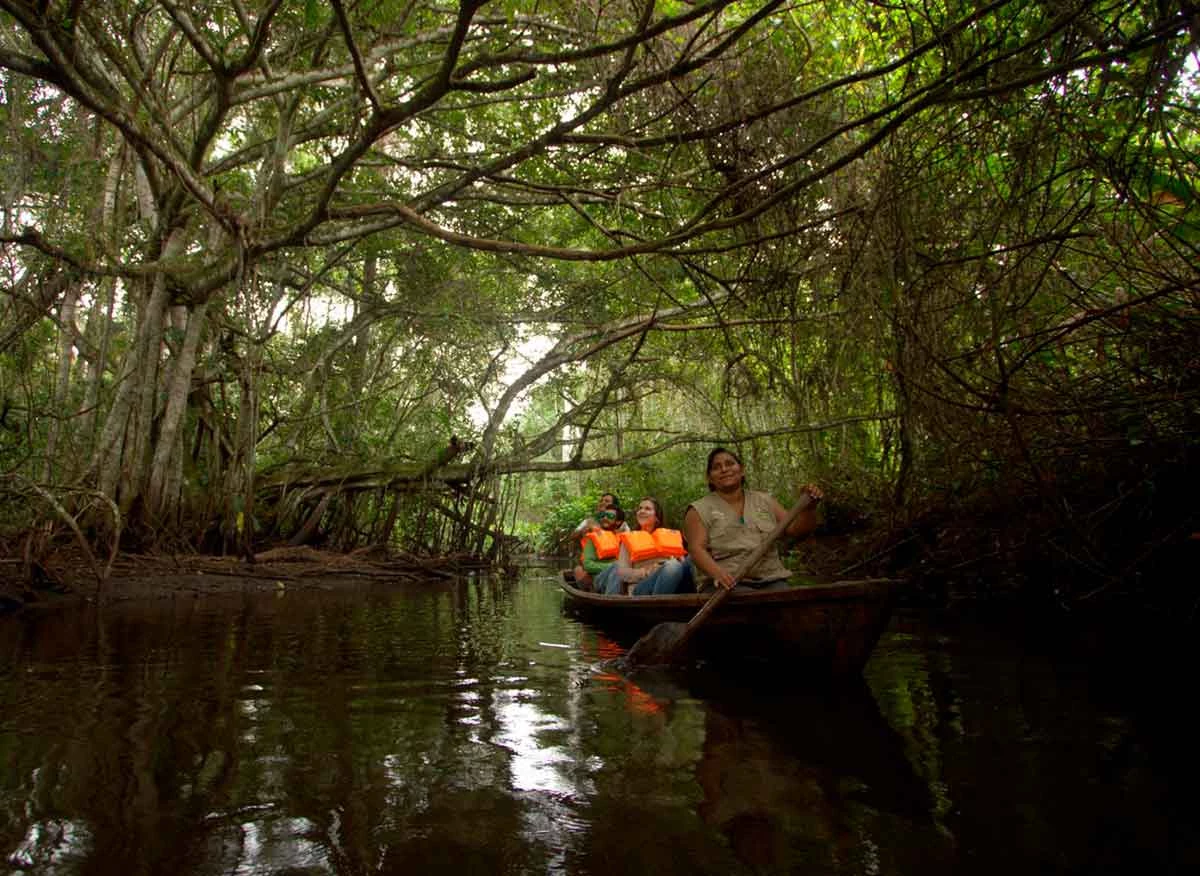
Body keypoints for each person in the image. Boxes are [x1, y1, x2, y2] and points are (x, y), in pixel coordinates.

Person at [683, 447, 822, 592]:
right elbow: (696, 549)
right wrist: (719, 575)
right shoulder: (699, 510)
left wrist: (809, 509)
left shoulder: (765, 501)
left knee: (785, 604)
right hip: (727, 586)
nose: (724, 469)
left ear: (742, 470)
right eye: (716, 467)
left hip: (771, 579)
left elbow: (797, 530)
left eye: (730, 464)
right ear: (710, 478)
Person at [595, 496, 694, 596]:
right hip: (641, 588)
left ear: (656, 517)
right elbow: (622, 572)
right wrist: (647, 572)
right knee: (672, 566)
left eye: (647, 509)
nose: (642, 511)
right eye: (640, 508)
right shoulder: (629, 539)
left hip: (672, 580)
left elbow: (683, 565)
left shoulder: (670, 537)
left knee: (692, 558)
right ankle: (656, 608)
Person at [571, 506, 626, 590]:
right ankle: (612, 600)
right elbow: (587, 565)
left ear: (618, 522)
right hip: (599, 578)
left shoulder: (623, 538)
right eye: (604, 515)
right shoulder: (594, 537)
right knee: (617, 566)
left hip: (621, 577)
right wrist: (613, 566)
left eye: (610, 516)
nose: (605, 518)